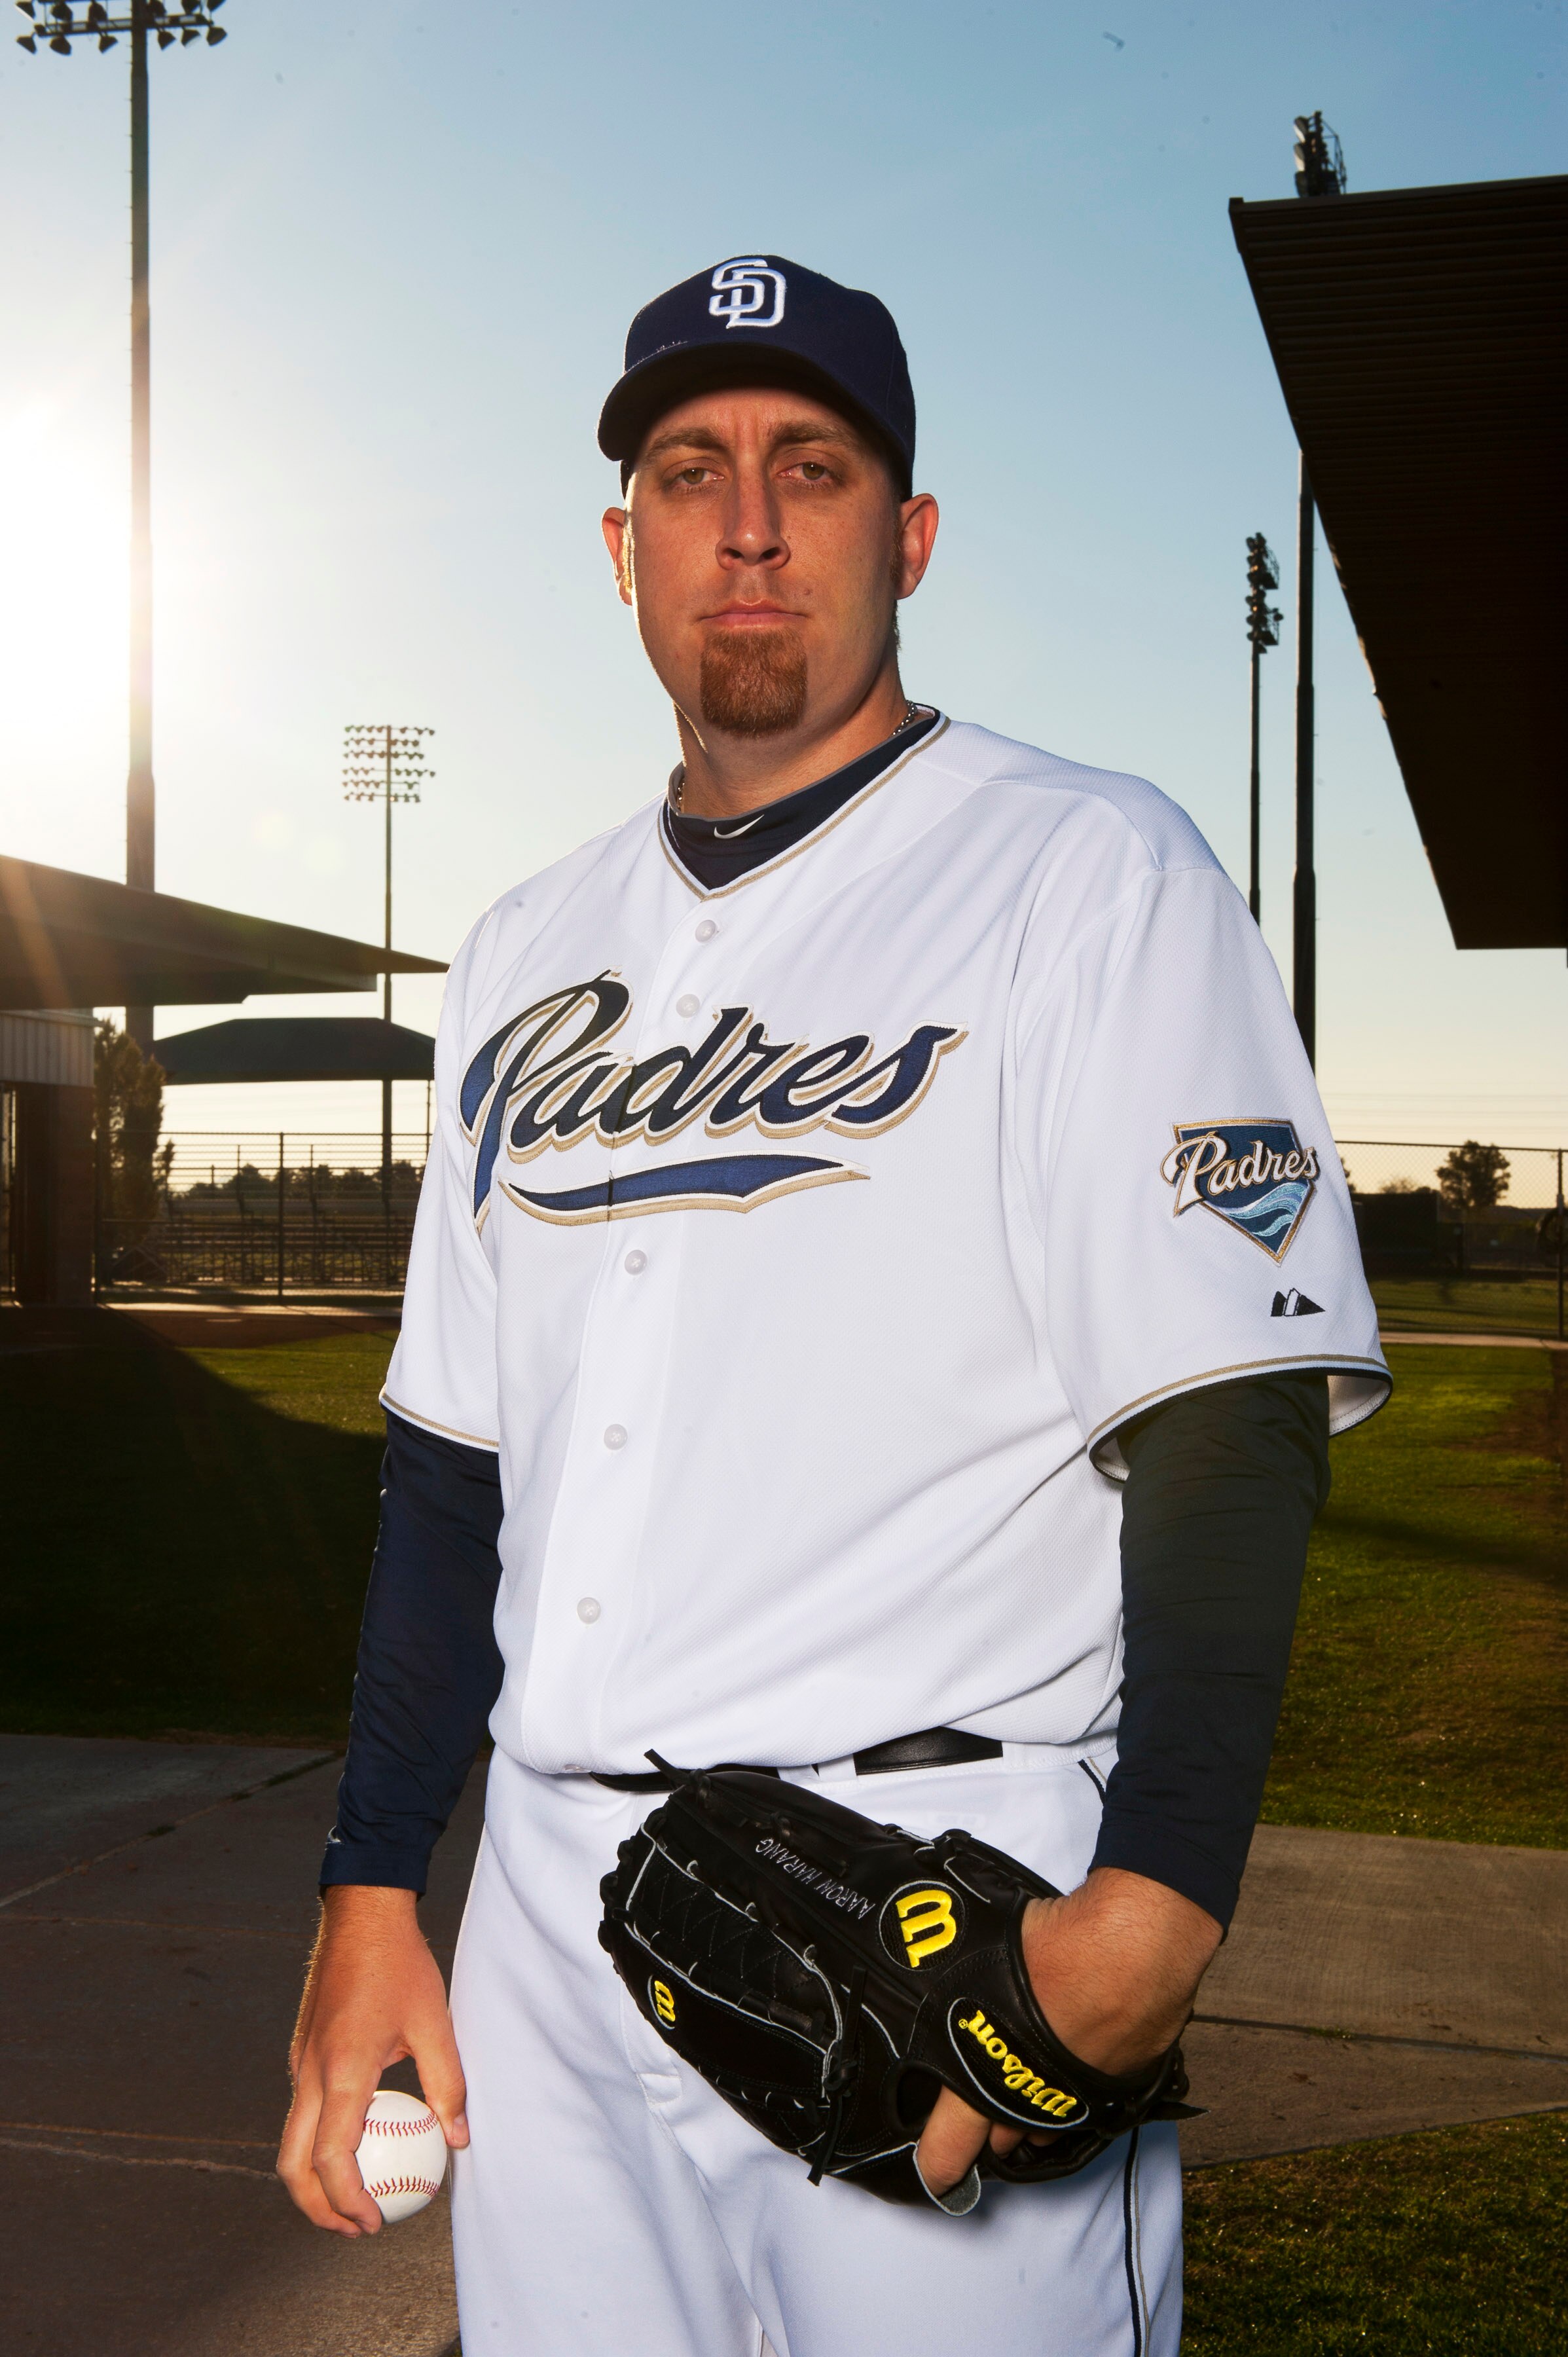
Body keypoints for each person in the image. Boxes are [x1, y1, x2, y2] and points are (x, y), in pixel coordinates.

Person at [279, 254, 1388, 2356]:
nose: (752, 521)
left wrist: (1145, 1911)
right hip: (543, 1909)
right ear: (624, 552)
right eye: (691, 471)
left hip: (939, 1889)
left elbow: (1225, 1412)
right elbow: (447, 1479)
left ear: (911, 533)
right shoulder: (526, 948)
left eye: (813, 462)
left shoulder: (1089, 872)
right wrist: (364, 1890)